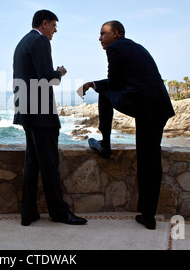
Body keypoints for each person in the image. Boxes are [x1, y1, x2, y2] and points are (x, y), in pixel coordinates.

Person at [77, 21, 175, 230]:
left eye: (103, 33)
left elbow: (114, 83)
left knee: (104, 94)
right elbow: (125, 80)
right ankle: (148, 215)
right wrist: (94, 84)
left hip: (146, 107)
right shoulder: (134, 46)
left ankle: (105, 144)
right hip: (158, 107)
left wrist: (93, 84)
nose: (100, 38)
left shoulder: (115, 47)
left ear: (116, 34)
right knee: (151, 160)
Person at [13, 10, 87, 226]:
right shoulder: (40, 41)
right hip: (41, 113)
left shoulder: (22, 42)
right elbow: (46, 79)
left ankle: (28, 213)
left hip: (26, 110)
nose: (55, 30)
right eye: (54, 25)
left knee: (32, 161)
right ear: (44, 23)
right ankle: (59, 213)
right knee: (49, 163)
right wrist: (59, 73)